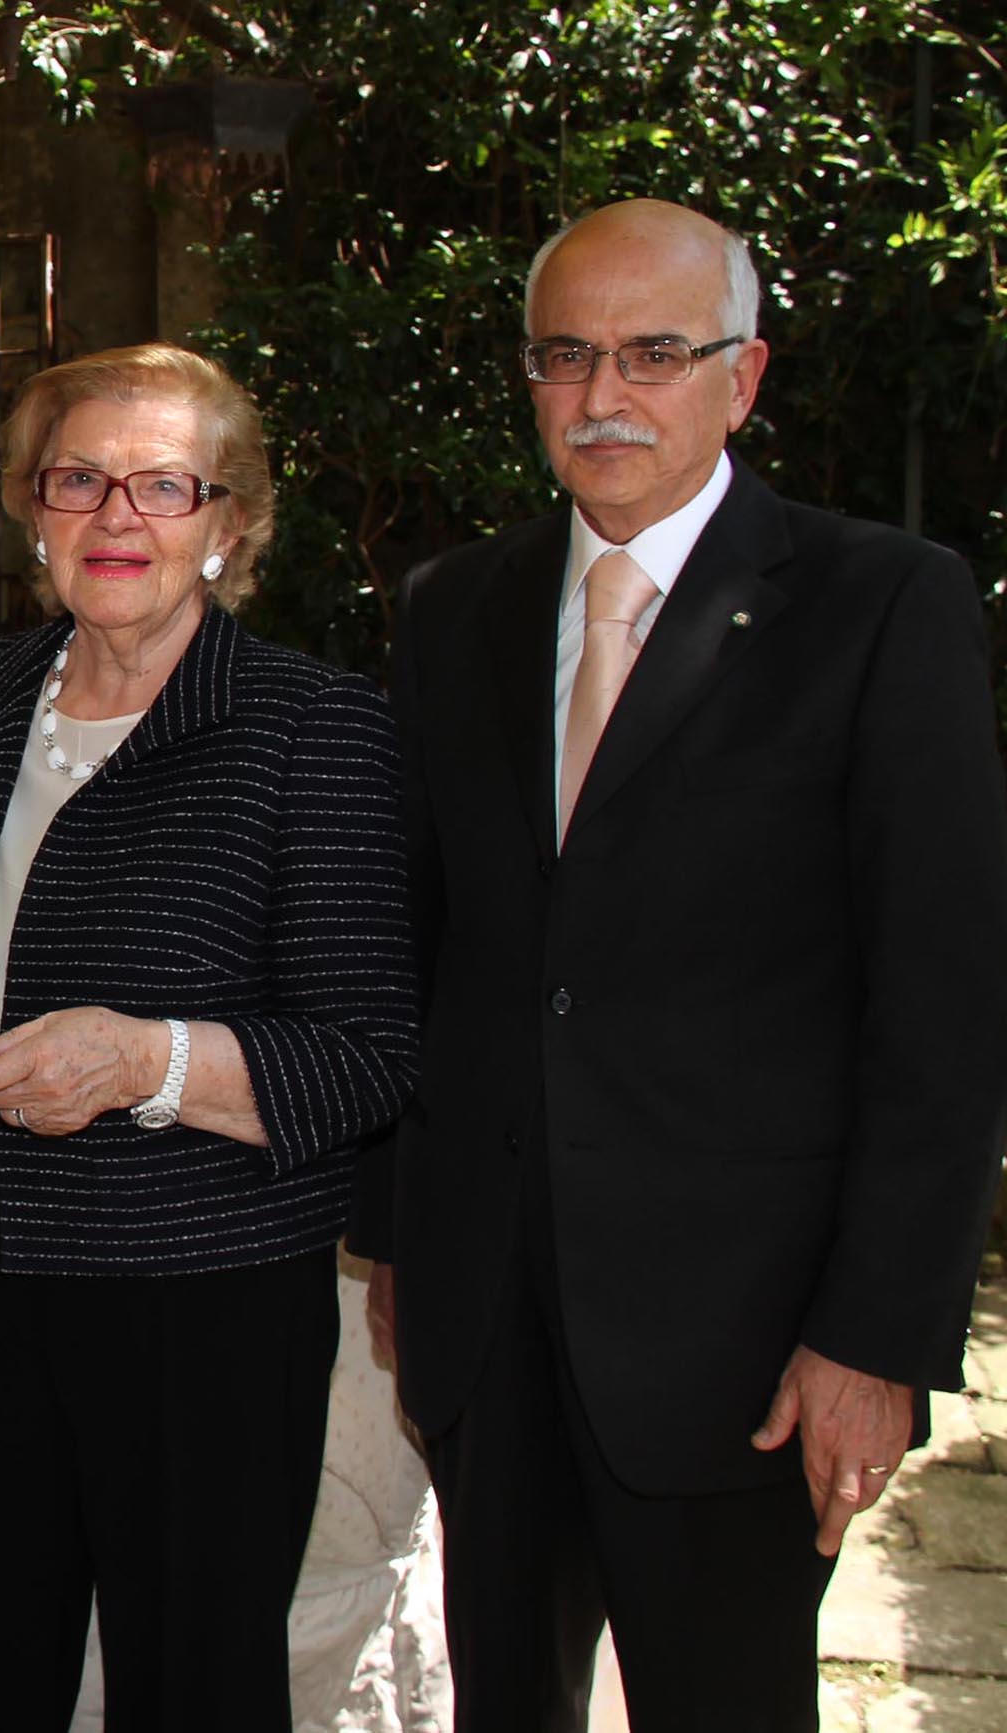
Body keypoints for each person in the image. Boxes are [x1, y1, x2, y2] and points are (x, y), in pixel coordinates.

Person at [352, 198, 1007, 1729]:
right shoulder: (457, 609)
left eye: (654, 353)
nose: (602, 397)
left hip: (747, 1341)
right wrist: (398, 1235)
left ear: (746, 375)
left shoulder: (879, 605)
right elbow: (424, 941)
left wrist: (876, 1331)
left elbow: (945, 1004)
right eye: (565, 355)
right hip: (486, 1317)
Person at [0, 342, 418, 1728]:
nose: (118, 516)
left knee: (194, 1672)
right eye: (79, 478)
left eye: (166, 485)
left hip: (205, 1282)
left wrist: (145, 1061)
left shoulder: (316, 726)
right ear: (30, 506)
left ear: (230, 523)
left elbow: (365, 1052)